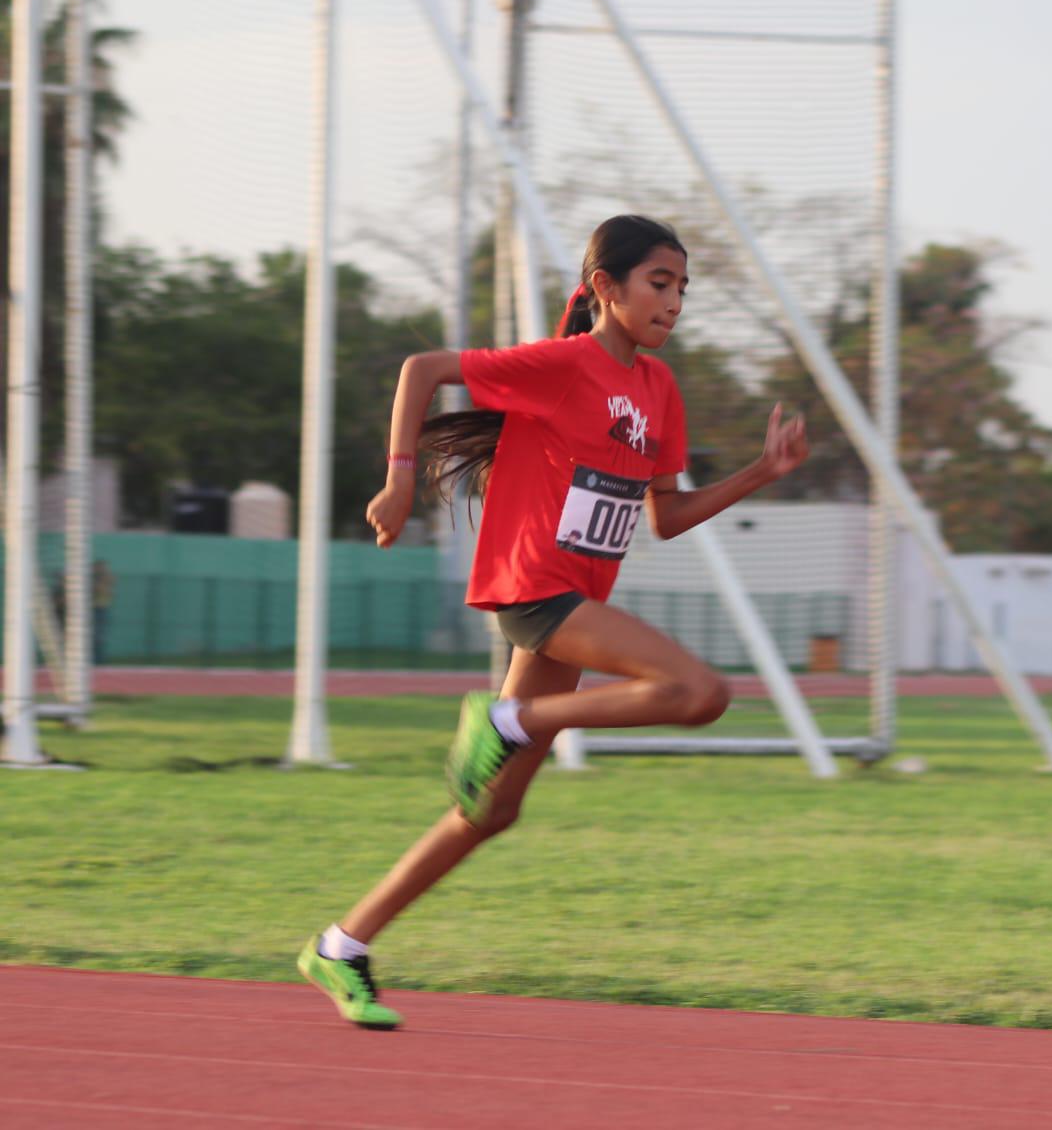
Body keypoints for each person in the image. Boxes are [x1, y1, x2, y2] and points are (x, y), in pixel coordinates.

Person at [298, 215, 809, 1029]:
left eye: (682, 289)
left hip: (577, 598)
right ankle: (504, 719)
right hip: (535, 587)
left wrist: (762, 470)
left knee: (491, 811)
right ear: (607, 287)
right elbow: (423, 369)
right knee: (697, 690)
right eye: (659, 284)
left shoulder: (657, 390)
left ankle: (341, 945)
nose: (674, 303)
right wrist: (398, 481)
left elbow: (667, 516)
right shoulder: (564, 366)